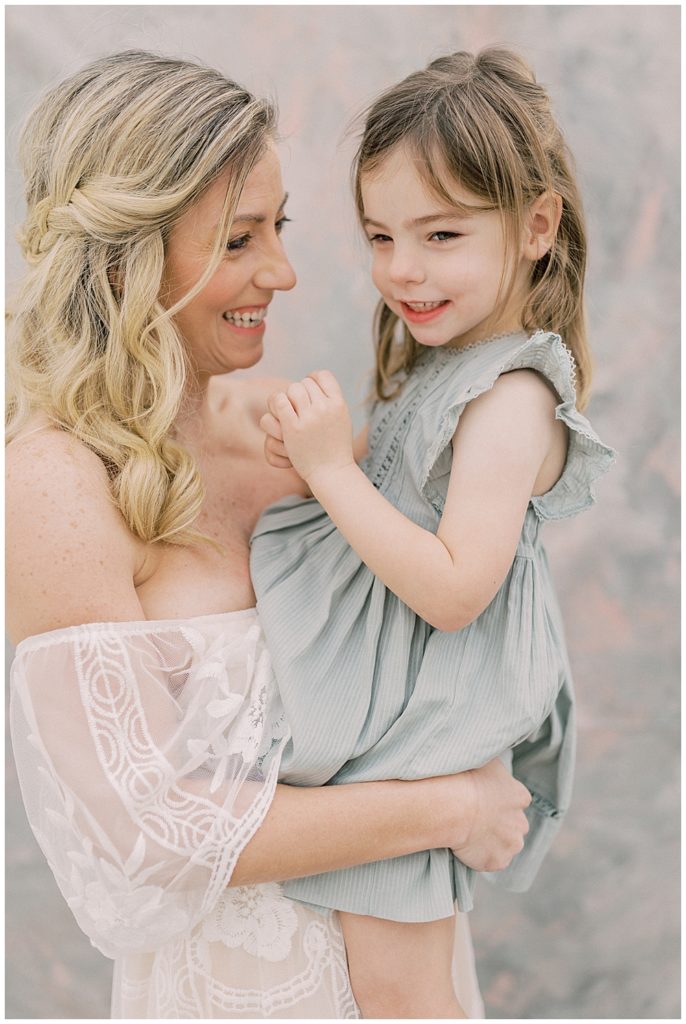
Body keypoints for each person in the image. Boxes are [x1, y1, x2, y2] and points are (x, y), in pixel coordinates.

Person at [5, 50, 533, 1018]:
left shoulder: (294, 435)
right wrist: (453, 807)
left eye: (277, 227)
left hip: (405, 957)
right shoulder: (53, 482)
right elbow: (144, 833)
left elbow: (440, 624)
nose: (282, 273)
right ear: (126, 253)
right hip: (243, 991)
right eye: (239, 239)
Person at [252, 47, 616, 1019]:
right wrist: (320, 449)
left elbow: (457, 587)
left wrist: (332, 470)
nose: (401, 269)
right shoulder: (445, 367)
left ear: (536, 225)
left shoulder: (511, 398)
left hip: (427, 737)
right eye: (379, 235)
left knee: (402, 997)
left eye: (440, 234)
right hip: (396, 726)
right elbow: (394, 490)